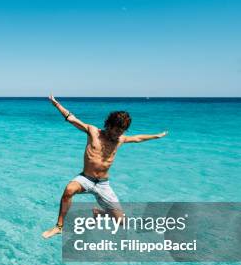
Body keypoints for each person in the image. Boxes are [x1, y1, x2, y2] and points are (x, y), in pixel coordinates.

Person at [42, 94, 168, 238]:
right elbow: (71, 118)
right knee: (69, 190)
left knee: (122, 222)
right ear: (108, 125)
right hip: (86, 179)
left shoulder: (120, 139)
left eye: (121, 132)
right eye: (116, 131)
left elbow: (138, 138)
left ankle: (100, 214)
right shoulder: (93, 132)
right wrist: (56, 105)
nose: (118, 134)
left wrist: (156, 136)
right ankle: (59, 227)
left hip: (103, 184)